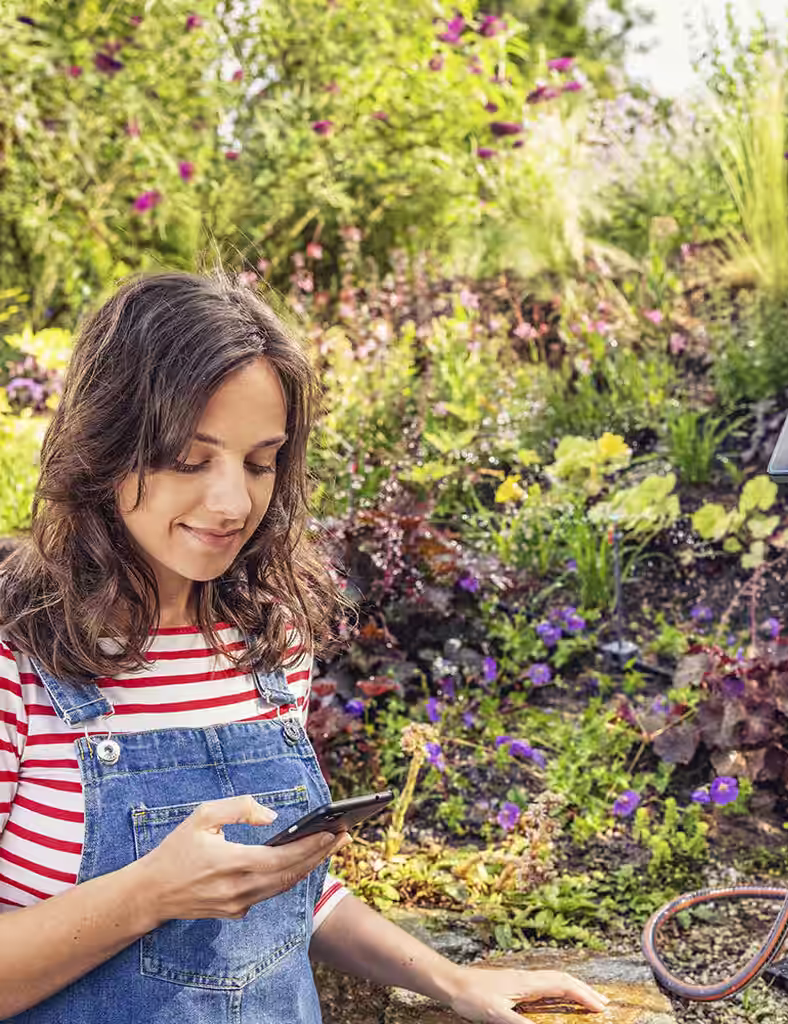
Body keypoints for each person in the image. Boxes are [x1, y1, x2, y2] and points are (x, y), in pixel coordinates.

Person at [0, 269, 610, 1023]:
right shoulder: (19, 659)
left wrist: (453, 981)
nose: (233, 503)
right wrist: (148, 895)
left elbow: (286, 898)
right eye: (189, 460)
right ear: (104, 446)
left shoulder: (270, 640)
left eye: (260, 462)